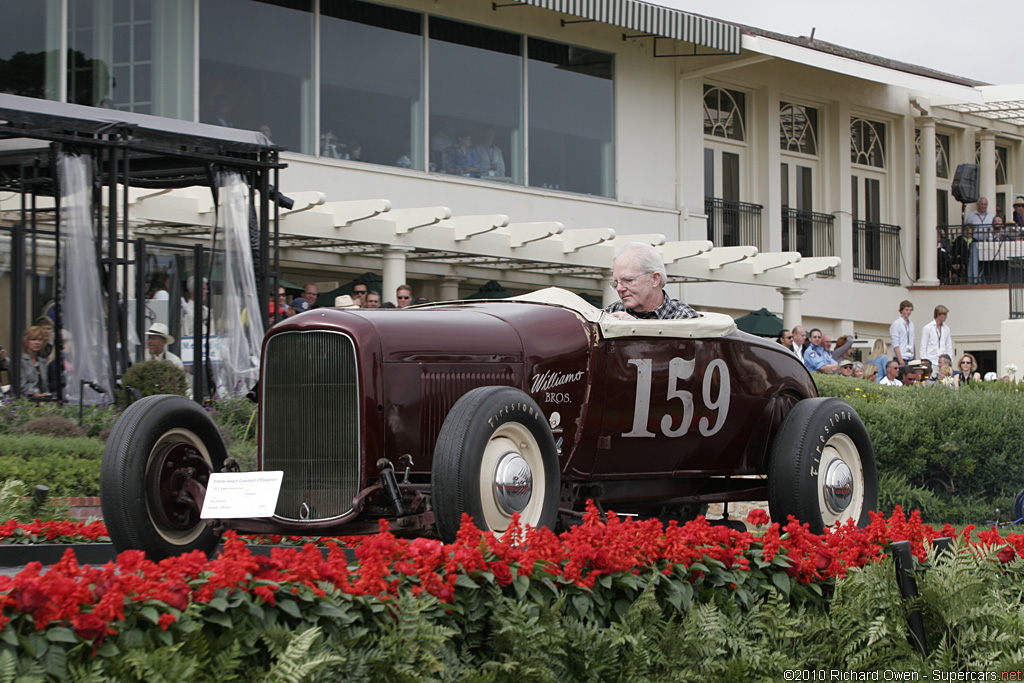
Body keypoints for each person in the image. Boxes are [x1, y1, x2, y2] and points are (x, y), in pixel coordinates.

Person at [605, 243, 699, 320]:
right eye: (616, 283)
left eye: (628, 280)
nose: (619, 289)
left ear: (654, 279)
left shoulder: (684, 318)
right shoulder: (611, 312)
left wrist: (634, 329)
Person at [920, 305, 952, 376]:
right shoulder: (927, 328)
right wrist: (924, 362)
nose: (946, 317)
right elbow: (923, 346)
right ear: (938, 315)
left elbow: (948, 346)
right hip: (931, 360)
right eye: (944, 315)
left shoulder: (946, 329)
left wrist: (949, 360)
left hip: (943, 362)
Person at [19, 326, 51, 398]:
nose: (37, 342)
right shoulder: (21, 361)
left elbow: (46, 386)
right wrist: (35, 394)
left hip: (43, 401)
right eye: (33, 339)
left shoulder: (42, 362)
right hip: (27, 401)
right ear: (26, 341)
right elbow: (21, 386)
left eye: (40, 340)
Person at [889, 300, 915, 366]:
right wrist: (901, 361)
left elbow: (913, 342)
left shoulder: (911, 324)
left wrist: (914, 358)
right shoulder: (897, 324)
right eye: (906, 310)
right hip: (901, 357)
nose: (909, 312)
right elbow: (895, 344)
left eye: (910, 310)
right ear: (902, 310)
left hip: (910, 357)